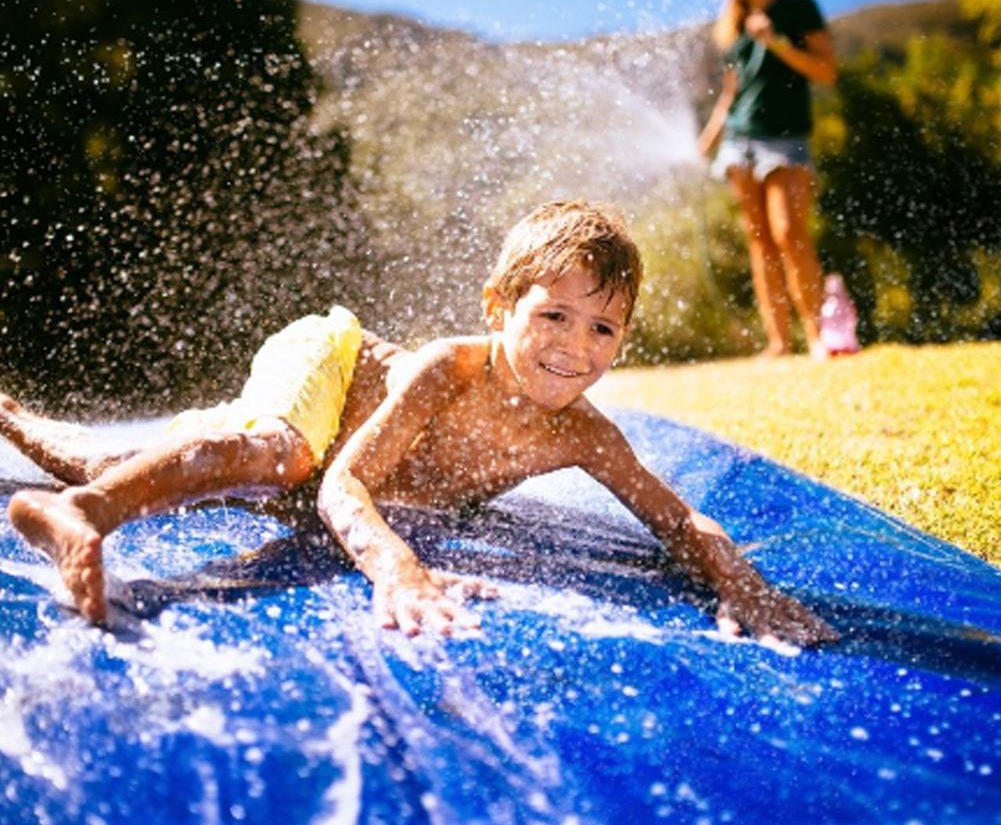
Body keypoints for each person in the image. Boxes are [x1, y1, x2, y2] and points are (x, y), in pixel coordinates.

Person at [2, 200, 837, 645]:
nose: (572, 348)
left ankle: (15, 426)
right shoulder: (446, 370)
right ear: (496, 307)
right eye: (552, 315)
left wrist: (740, 581)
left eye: (602, 328)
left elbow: (674, 514)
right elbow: (344, 481)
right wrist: (397, 569)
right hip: (328, 363)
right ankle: (87, 516)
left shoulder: (580, 433)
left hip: (316, 467)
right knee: (281, 453)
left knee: (111, 455)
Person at [697, 0, 838, 359]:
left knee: (790, 232)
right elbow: (731, 94)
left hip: (787, 137)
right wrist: (707, 141)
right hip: (740, 142)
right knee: (760, 241)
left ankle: (818, 336)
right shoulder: (733, 30)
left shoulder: (797, 7)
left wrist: (774, 42)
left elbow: (825, 70)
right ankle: (779, 342)